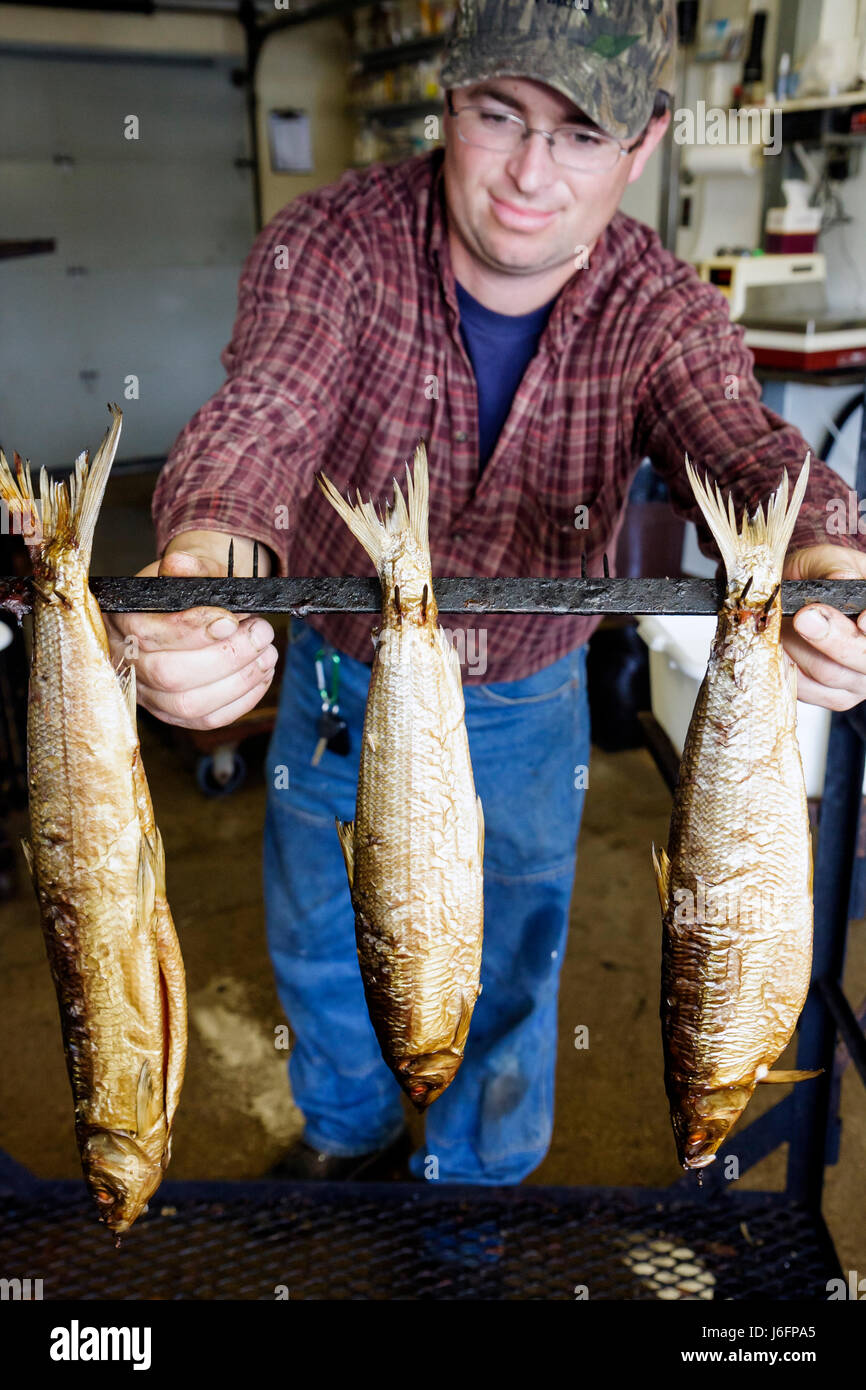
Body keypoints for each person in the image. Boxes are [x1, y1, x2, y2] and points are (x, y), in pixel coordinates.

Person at [106, 0, 866, 1184]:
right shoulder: (334, 243)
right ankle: (346, 1142)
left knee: (513, 958)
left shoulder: (659, 304)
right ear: (446, 106)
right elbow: (265, 410)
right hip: (335, 679)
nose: (527, 173)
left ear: (644, 144)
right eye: (498, 115)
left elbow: (737, 438)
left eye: (577, 134)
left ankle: (477, 1187)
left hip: (528, 695)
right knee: (320, 936)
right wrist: (206, 560)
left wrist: (825, 554)